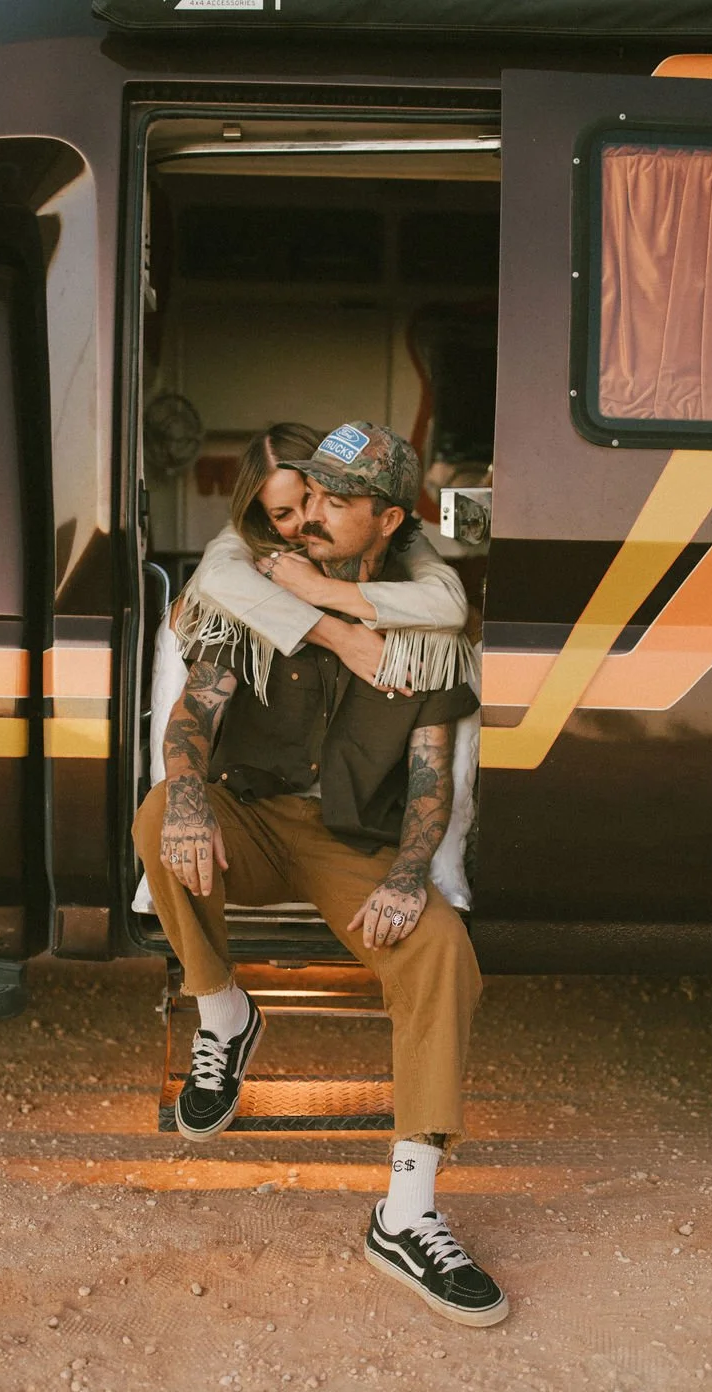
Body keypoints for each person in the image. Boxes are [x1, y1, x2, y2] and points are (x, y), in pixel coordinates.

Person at [134, 422, 507, 1328]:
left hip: (352, 847)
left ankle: (407, 1211)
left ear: (386, 521)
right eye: (308, 499)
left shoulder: (425, 627)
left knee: (440, 952)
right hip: (254, 822)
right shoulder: (254, 591)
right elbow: (193, 715)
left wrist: (410, 874)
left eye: (336, 504)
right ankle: (224, 1010)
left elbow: (430, 775)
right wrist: (186, 795)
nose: (310, 519)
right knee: (159, 819)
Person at [175, 422, 476, 703]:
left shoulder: (385, 529)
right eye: (282, 514)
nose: (308, 518)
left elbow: (448, 603)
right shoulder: (246, 537)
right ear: (265, 519)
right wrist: (340, 637)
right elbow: (216, 578)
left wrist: (318, 588)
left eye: (313, 497)